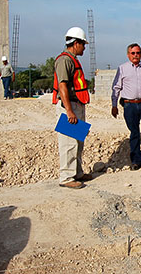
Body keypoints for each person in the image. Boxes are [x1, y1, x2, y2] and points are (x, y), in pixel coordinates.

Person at [52, 26, 92, 189]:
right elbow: (62, 86)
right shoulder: (64, 60)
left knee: (77, 142)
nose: (84, 47)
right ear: (76, 43)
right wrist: (69, 110)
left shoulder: (72, 59)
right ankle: (66, 176)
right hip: (69, 107)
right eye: (83, 44)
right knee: (68, 142)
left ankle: (77, 172)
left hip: (77, 105)